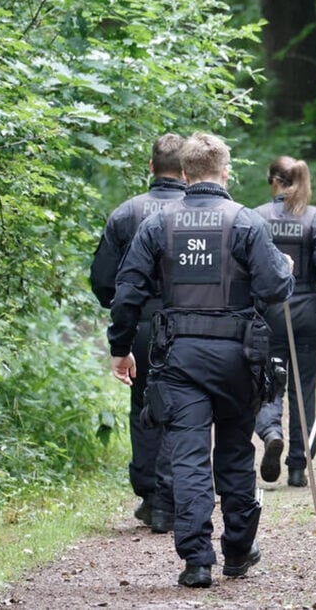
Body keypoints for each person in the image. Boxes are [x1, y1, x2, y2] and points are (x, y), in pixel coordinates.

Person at [107, 132, 294, 588]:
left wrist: (120, 347)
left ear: (186, 173)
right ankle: (237, 551)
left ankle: (196, 562)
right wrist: (285, 269)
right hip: (237, 359)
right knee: (233, 452)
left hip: (179, 358)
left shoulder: (158, 224)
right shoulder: (246, 222)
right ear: (225, 172)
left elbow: (127, 293)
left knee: (188, 457)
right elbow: (273, 291)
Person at [89, 133, 186, 533]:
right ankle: (171, 496)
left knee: (145, 408)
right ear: (186, 170)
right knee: (187, 411)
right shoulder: (201, 212)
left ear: (150, 167)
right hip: (189, 326)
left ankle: (151, 496)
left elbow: (102, 281)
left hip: (143, 326)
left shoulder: (125, 214)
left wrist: (124, 330)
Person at [252, 156, 316, 487]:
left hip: (268, 311)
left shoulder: (256, 218)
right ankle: (298, 466)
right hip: (306, 311)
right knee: (303, 389)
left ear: (273, 181)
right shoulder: (315, 219)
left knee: (268, 381)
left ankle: (271, 431)